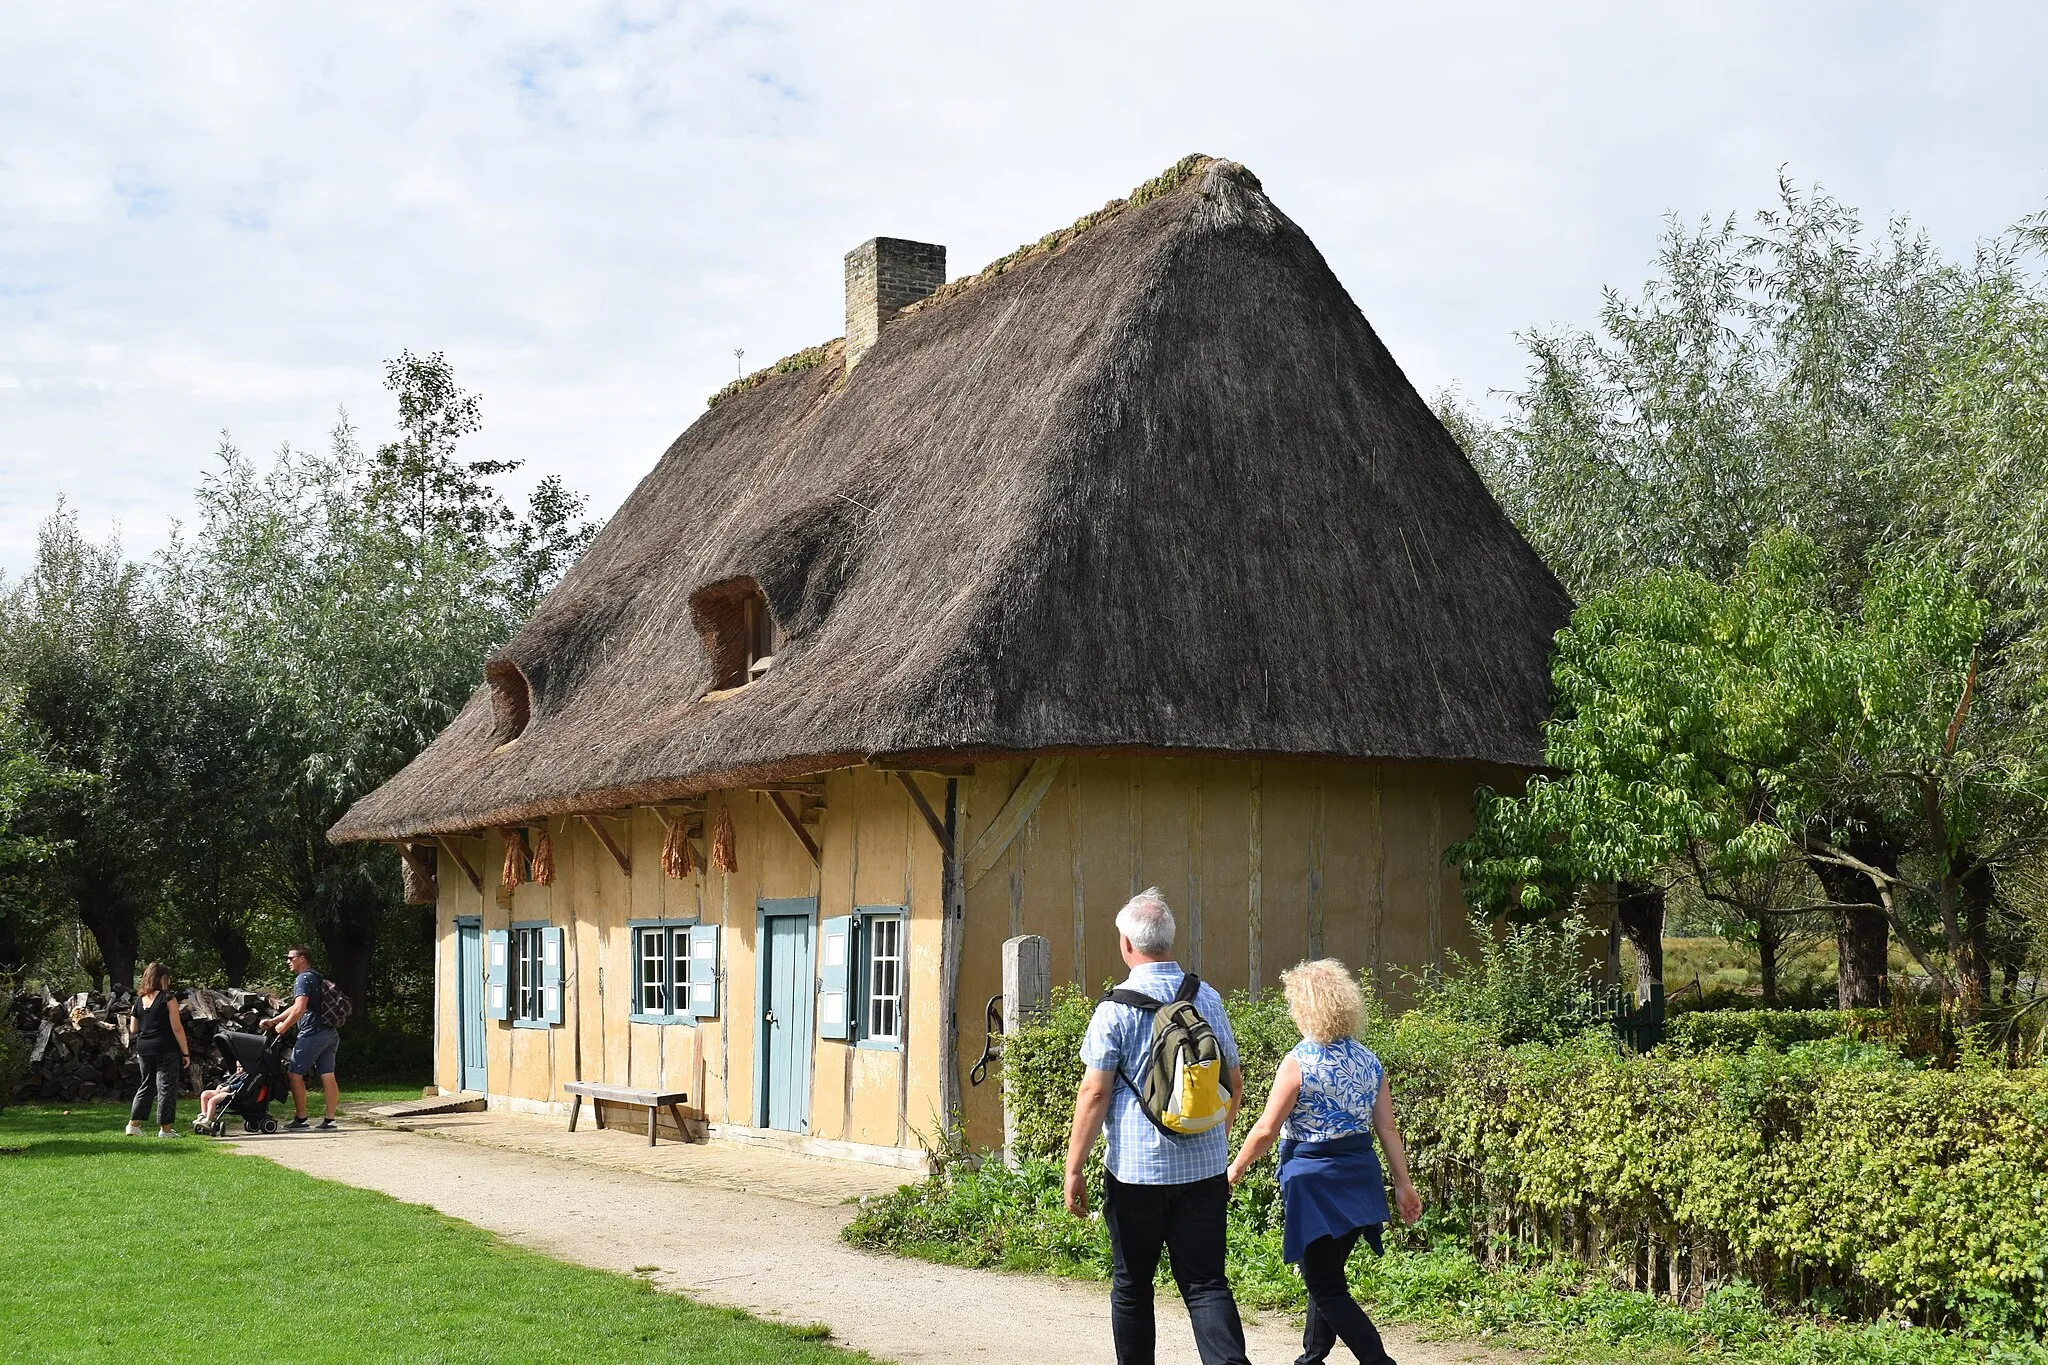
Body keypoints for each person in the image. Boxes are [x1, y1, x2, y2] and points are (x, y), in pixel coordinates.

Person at [1064, 888, 1251, 1365]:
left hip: (1136, 1174)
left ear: (1127, 943)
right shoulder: (1206, 996)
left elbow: (1095, 1094)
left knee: (1132, 1284)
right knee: (1207, 1284)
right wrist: (1213, 1142)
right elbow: (1234, 1081)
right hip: (1204, 1170)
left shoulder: (1115, 1009)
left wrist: (1074, 1168)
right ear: (1168, 940)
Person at [1227, 959, 1423, 1365]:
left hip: (1315, 1183)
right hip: (1359, 1178)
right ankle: (1311, 1358)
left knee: (1325, 1284)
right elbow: (1387, 1130)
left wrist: (1235, 1168)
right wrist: (1403, 1183)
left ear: (1304, 1007)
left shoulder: (1300, 1060)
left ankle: (1378, 1360)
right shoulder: (1369, 1060)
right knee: (1327, 1275)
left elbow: (1266, 1128)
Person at [260, 945, 340, 1131]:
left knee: (294, 1074)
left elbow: (299, 1009)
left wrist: (283, 1027)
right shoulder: (316, 976)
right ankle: (330, 1120)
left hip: (312, 1033)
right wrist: (275, 1020)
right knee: (327, 1074)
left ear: (302, 958)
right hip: (330, 1033)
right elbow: (295, 1006)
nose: (288, 961)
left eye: (290, 958)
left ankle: (301, 1120)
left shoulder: (302, 978)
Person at [125, 962, 191, 1138]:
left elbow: (133, 1029)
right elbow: (177, 1028)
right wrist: (185, 1052)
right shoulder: (168, 998)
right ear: (162, 978)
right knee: (166, 1087)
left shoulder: (138, 1001)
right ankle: (165, 1129)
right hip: (165, 1048)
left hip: (144, 1048)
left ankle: (133, 1125)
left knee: (146, 1084)